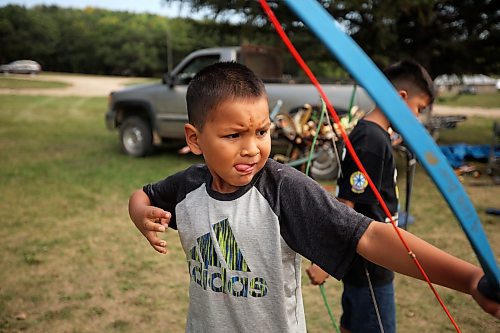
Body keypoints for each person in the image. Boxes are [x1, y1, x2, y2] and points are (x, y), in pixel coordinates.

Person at [128, 62, 499, 333]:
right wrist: (140, 214)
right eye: (232, 136)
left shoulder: (282, 188)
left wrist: (468, 278)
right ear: (195, 139)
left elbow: (368, 235)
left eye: (261, 131)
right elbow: (142, 196)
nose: (252, 149)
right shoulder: (188, 187)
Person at [306, 60, 436, 333]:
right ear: (400, 98)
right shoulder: (371, 141)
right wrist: (325, 262)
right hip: (371, 263)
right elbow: (346, 207)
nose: (416, 118)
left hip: (368, 262)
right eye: (418, 109)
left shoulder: (374, 135)